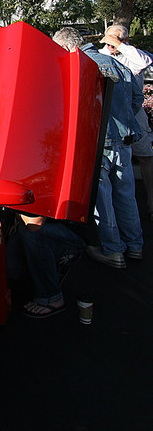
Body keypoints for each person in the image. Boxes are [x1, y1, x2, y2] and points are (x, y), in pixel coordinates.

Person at [53, 26, 143, 268]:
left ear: (67, 47)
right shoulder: (118, 64)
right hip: (123, 141)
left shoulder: (80, 67)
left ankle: (113, 250)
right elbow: (137, 99)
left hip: (97, 143)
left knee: (103, 202)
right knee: (127, 196)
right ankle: (135, 245)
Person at [100, 23, 153, 221]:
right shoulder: (100, 55)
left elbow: (143, 63)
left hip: (134, 114)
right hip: (113, 118)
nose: (111, 44)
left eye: (116, 40)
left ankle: (150, 201)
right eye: (109, 39)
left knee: (145, 156)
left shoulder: (133, 56)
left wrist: (120, 46)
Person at [6, 212, 85, 318]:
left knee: (31, 233)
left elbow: (34, 224)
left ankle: (53, 297)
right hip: (49, 228)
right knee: (15, 269)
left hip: (71, 239)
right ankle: (46, 270)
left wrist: (19, 216)